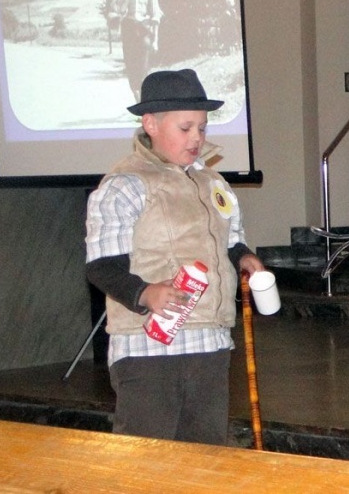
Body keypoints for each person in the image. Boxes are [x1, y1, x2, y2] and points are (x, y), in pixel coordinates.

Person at [84, 68, 264, 445]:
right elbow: (102, 265)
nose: (197, 138)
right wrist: (145, 293)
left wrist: (244, 258)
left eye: (202, 128)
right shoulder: (126, 184)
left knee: (205, 462)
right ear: (150, 123)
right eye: (186, 128)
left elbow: (230, 240)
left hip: (210, 345)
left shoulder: (213, 182)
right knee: (147, 466)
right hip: (149, 349)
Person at [109, 0, 163, 100]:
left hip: (144, 29)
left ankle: (143, 103)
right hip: (128, 28)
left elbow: (155, 12)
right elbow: (117, 8)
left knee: (143, 67)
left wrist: (156, 40)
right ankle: (138, 98)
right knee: (131, 68)